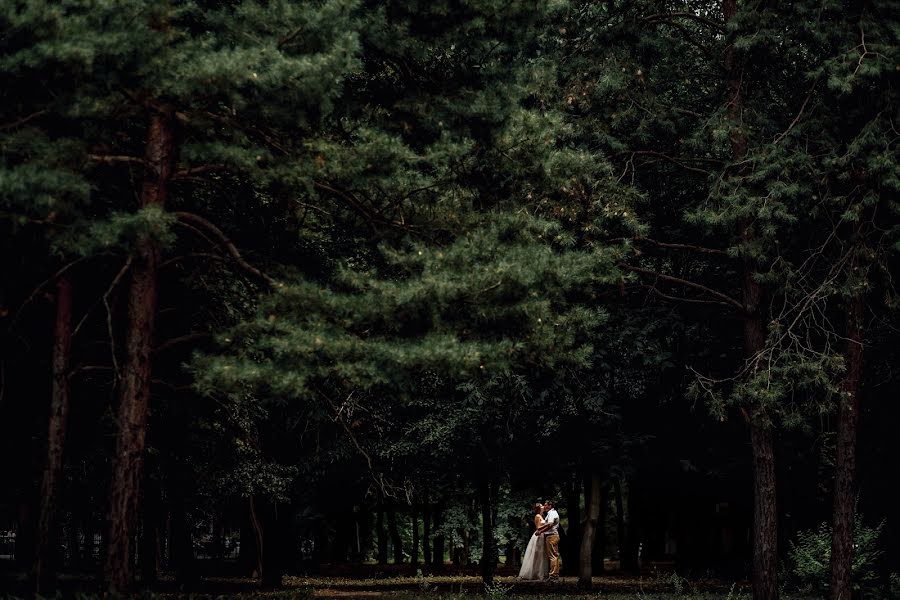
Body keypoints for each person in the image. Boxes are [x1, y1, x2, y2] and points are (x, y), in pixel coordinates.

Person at [517, 503, 549, 580]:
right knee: (537, 553)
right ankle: (531, 572)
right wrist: (548, 525)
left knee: (541, 554)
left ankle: (539, 573)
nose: (543, 507)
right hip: (538, 536)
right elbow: (538, 527)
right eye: (541, 506)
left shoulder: (542, 516)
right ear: (538, 508)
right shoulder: (537, 516)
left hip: (542, 535)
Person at [534, 499, 561, 581]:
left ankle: (553, 576)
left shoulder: (552, 513)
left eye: (546, 505)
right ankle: (554, 575)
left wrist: (540, 530)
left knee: (553, 556)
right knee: (554, 556)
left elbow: (550, 524)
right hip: (553, 536)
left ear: (550, 506)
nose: (544, 506)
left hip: (551, 536)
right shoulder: (551, 513)